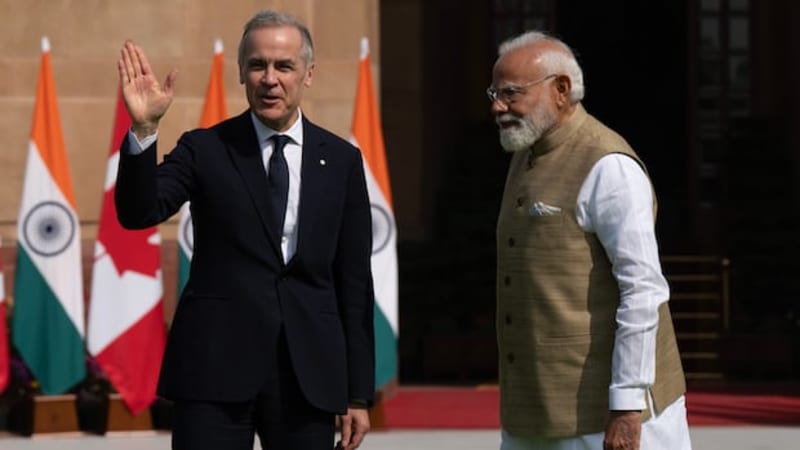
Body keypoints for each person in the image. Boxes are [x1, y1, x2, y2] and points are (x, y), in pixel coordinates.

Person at [114, 10, 374, 450]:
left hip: (307, 373)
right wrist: (144, 129)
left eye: (283, 66)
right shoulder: (205, 148)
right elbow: (139, 211)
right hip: (215, 369)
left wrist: (357, 392)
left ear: (307, 75)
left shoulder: (342, 162)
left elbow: (353, 282)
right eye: (257, 65)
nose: (269, 78)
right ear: (241, 72)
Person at [490, 31, 692, 450]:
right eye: (493, 92)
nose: (497, 106)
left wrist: (626, 407)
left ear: (561, 89)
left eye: (511, 93)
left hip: (608, 415)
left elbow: (642, 290)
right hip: (535, 410)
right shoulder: (525, 152)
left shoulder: (608, 165)